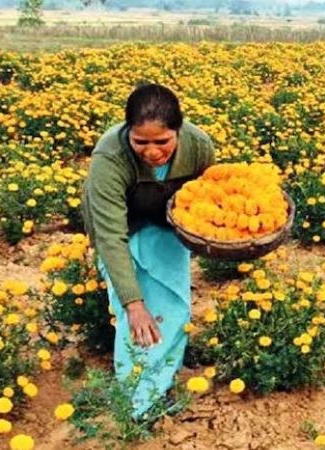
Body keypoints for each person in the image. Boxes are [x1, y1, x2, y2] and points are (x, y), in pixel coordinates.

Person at [82, 83, 214, 418]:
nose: (152, 151)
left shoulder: (199, 147)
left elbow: (207, 196)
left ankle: (162, 378)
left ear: (178, 131)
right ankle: (137, 396)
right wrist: (133, 302)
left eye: (162, 142)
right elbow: (111, 236)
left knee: (172, 304)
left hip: (165, 222)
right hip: (120, 226)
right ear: (127, 132)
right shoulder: (110, 158)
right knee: (134, 314)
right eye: (141, 142)